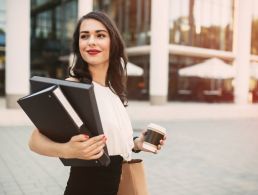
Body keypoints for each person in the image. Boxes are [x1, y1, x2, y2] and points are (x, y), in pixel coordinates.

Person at [28, 11, 166, 195]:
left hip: (121, 182)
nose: (91, 41)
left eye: (100, 35)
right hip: (88, 186)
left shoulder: (112, 88)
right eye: (84, 36)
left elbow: (109, 141)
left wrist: (137, 144)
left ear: (113, 43)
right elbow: (34, 140)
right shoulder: (73, 86)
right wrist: (67, 150)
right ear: (79, 45)